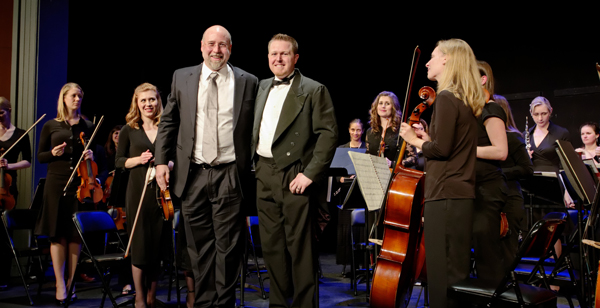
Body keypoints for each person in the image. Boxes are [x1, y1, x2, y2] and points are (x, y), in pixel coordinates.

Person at [154, 25, 258, 308]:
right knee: (198, 250)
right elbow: (169, 122)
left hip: (229, 174)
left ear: (230, 49)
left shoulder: (248, 80)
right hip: (193, 174)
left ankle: (223, 305)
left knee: (228, 248)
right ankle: (203, 304)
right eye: (211, 44)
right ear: (201, 46)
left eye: (222, 45)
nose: (216, 50)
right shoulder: (182, 77)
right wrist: (161, 160)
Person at [251, 33, 338, 307]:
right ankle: (278, 303)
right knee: (272, 247)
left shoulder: (314, 89)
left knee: (300, 248)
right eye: (273, 54)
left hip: (295, 173)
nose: (278, 58)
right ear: (267, 57)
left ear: (295, 58)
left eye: (284, 54)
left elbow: (328, 134)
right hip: (264, 173)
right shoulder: (261, 86)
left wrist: (310, 173)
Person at [399, 38, 484, 308]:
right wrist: (429, 138)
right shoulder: (463, 98)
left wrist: (414, 139)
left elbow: (442, 150)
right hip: (459, 195)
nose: (427, 62)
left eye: (433, 56)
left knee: (440, 276)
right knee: (454, 273)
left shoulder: (446, 97)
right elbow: (449, 145)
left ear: (447, 59)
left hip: (444, 195)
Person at [35, 83, 96, 305]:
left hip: (79, 185)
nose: (77, 99)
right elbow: (40, 156)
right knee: (57, 233)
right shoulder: (51, 125)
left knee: (74, 235)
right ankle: (60, 283)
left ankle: (71, 283)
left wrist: (90, 155)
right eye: (73, 95)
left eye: (80, 95)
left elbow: (94, 155)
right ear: (63, 98)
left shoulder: (88, 125)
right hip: (56, 184)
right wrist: (52, 152)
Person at [115, 83, 170, 308]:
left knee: (157, 245)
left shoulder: (167, 126)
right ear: (136, 103)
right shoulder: (129, 129)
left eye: (152, 99)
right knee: (139, 246)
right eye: (143, 100)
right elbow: (119, 162)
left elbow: (175, 155)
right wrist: (139, 160)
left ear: (158, 101)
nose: (148, 104)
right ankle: (139, 296)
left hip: (162, 194)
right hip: (137, 192)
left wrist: (168, 164)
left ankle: (151, 295)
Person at [471, 60, 509, 283]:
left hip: (489, 189)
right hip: (476, 187)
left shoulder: (491, 108)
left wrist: (465, 150)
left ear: (482, 80)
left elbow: (501, 151)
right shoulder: (475, 111)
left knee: (488, 257)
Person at [494, 94, 533, 267]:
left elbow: (527, 168)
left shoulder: (513, 137)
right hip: (493, 200)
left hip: (509, 200)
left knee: (506, 253)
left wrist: (498, 172)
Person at [0, 97, 32, 290]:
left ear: (9, 110)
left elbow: (27, 160)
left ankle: (3, 276)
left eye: (1, 112)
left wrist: (8, 165)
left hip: (7, 188)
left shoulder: (20, 134)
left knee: (4, 231)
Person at [365, 91, 401, 167]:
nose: (383, 106)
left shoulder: (401, 130)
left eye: (387, 103)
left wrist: (392, 163)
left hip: (394, 175)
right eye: (380, 103)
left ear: (394, 107)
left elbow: (413, 159)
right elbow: (368, 155)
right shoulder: (370, 131)